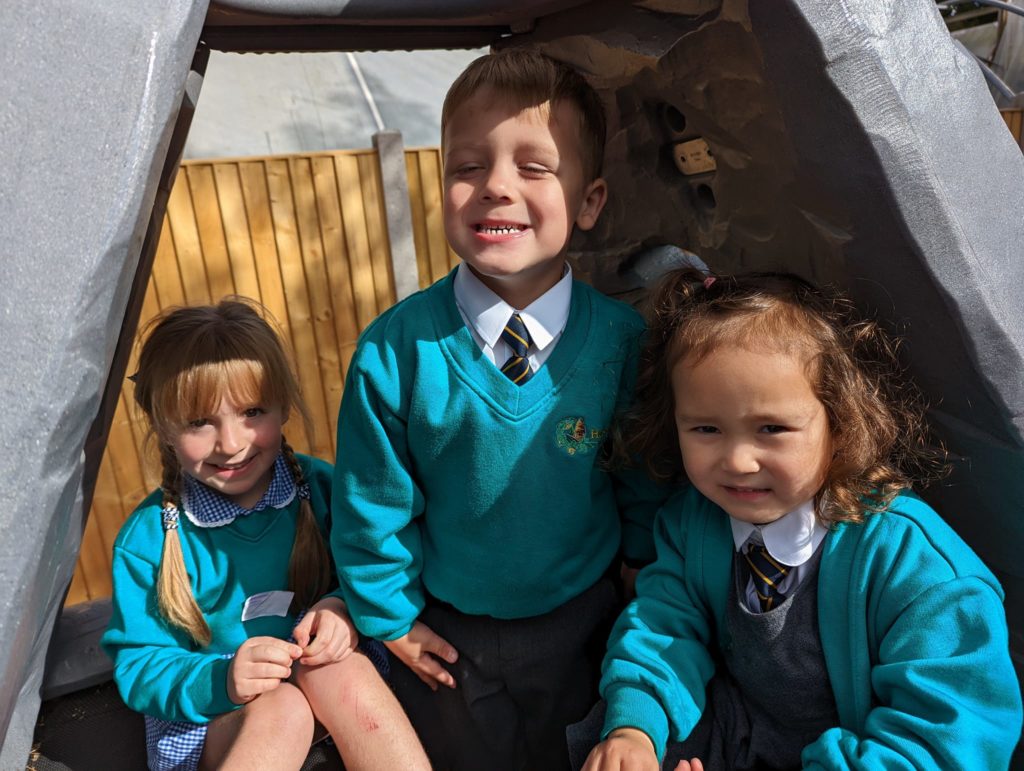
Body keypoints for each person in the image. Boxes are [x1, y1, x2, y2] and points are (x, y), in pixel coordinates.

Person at [331, 48, 662, 770]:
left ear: (590, 200)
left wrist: (642, 566)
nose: (495, 188)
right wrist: (390, 619)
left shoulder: (623, 342)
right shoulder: (395, 353)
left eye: (533, 167)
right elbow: (371, 505)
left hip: (586, 626)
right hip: (449, 643)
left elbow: (641, 472)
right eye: (467, 166)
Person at [574, 269, 1023, 770]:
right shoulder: (692, 522)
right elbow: (664, 626)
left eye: (772, 428)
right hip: (738, 733)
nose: (739, 461)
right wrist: (634, 729)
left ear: (840, 418)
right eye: (706, 428)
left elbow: (946, 739)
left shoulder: (916, 568)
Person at [101, 299, 429, 771]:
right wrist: (222, 678)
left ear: (284, 406)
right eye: (199, 422)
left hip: (333, 695)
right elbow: (140, 665)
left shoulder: (322, 491)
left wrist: (344, 607)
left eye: (252, 411)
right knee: (282, 707)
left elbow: (376, 566)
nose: (232, 444)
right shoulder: (149, 539)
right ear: (161, 425)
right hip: (226, 718)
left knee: (339, 668)